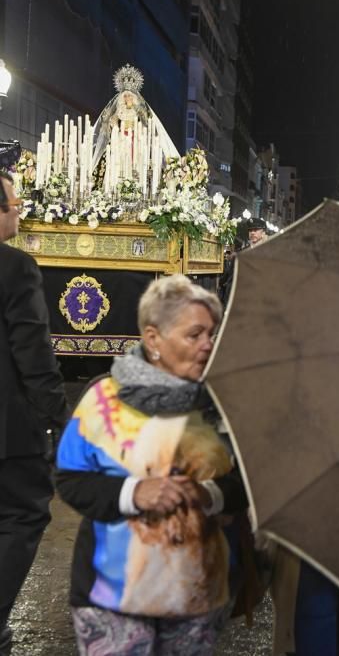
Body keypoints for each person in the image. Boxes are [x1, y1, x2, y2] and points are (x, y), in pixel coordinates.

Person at [55, 274, 248, 656]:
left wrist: (209, 494)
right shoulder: (103, 400)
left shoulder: (225, 404)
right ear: (153, 339)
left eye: (212, 334)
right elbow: (70, 478)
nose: (207, 345)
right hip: (111, 597)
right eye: (195, 335)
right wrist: (133, 492)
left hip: (197, 596)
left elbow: (250, 481)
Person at [0, 171, 69, 655]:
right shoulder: (15, 268)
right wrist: (59, 419)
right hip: (9, 431)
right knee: (23, 514)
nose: (19, 209)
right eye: (12, 203)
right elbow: (33, 353)